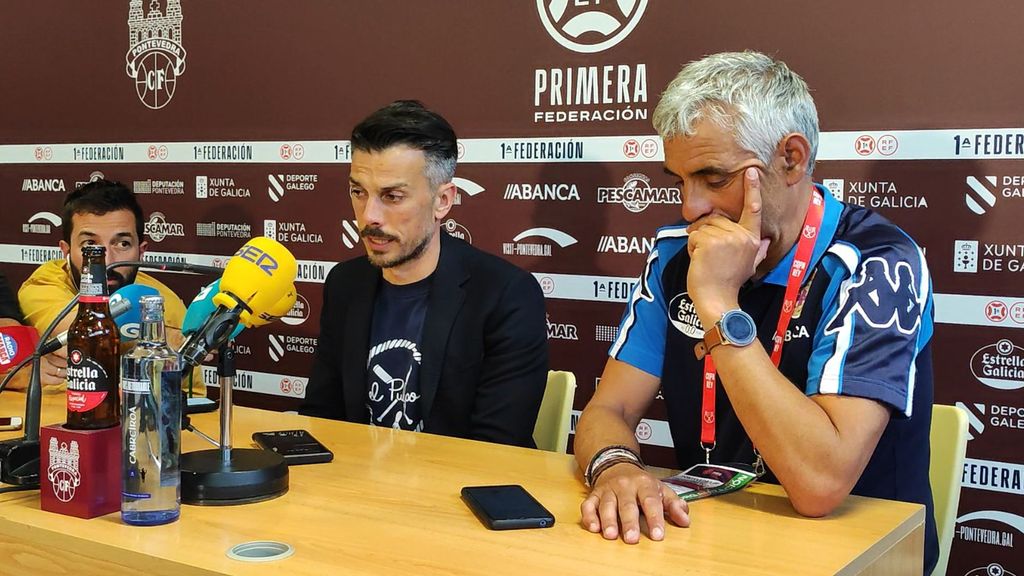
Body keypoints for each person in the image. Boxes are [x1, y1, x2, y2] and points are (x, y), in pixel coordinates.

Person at [573, 52, 936, 574]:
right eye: (679, 180)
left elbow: (819, 484)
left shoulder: (876, 262)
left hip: (862, 558)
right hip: (714, 542)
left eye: (713, 178)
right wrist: (615, 468)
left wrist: (719, 304)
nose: (689, 207)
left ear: (791, 158)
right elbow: (609, 412)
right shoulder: (677, 255)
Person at [302, 100, 548, 448]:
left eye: (393, 196)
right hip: (357, 490)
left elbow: (497, 448)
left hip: (457, 494)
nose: (369, 215)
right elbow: (323, 418)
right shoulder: (345, 284)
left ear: (443, 200)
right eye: (359, 192)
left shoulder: (506, 294)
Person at [17, 179, 203, 395]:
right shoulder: (45, 284)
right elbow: (88, 332)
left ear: (141, 252)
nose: (106, 261)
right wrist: (160, 340)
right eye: (90, 245)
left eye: (122, 244)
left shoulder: (164, 303)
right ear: (66, 251)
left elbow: (193, 397)